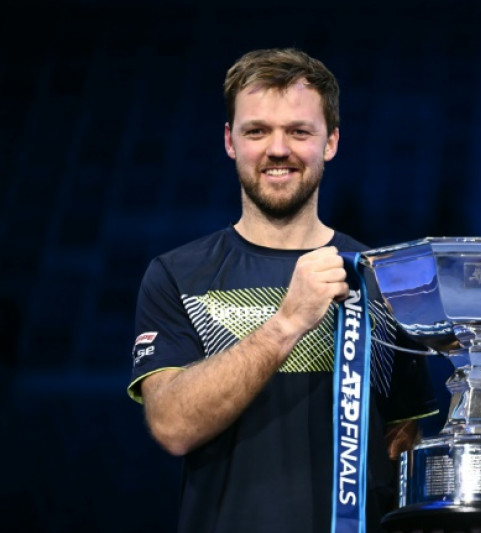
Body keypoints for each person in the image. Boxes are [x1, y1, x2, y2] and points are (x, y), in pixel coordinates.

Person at [126, 47, 437, 533]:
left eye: (298, 131)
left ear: (331, 142)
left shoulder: (385, 279)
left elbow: (404, 444)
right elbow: (171, 427)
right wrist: (287, 322)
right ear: (230, 141)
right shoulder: (175, 275)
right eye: (257, 131)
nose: (277, 149)